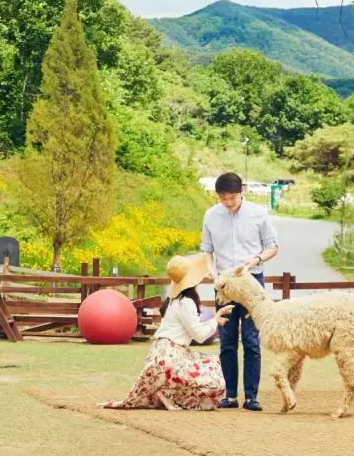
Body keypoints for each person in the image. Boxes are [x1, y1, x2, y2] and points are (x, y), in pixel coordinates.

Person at [99, 253, 233, 410]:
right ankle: (165, 392)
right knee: (215, 379)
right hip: (173, 355)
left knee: (205, 366)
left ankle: (163, 391)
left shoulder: (172, 300)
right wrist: (215, 319)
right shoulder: (186, 302)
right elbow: (200, 335)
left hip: (158, 352)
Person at [201, 172, 279, 411]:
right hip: (224, 283)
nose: (227, 203)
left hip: (251, 280)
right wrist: (212, 272)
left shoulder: (258, 214)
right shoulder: (211, 216)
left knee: (251, 339)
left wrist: (255, 260)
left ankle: (252, 396)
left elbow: (273, 246)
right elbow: (206, 250)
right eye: (223, 198)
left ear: (240, 193)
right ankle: (230, 395)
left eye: (232, 198)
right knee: (226, 339)